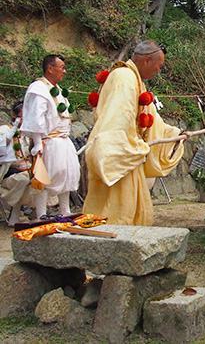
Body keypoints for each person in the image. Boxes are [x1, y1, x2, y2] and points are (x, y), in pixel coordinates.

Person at [82, 40, 185, 225]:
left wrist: (175, 135)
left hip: (127, 154)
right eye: (159, 66)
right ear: (146, 61)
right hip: (118, 156)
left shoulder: (137, 82)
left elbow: (153, 122)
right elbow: (118, 118)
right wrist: (131, 147)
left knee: (129, 210)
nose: (158, 71)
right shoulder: (124, 77)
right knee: (117, 212)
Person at [20, 54, 80, 219]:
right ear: (50, 68)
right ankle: (41, 214)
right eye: (61, 67)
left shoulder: (59, 91)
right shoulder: (38, 88)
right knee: (45, 176)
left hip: (64, 139)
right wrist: (38, 142)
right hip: (48, 141)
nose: (64, 71)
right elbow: (35, 116)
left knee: (67, 173)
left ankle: (65, 210)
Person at [0, 102, 34, 226]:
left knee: (38, 178)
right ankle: (12, 208)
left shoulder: (26, 134)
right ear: (15, 116)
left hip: (26, 170)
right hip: (8, 174)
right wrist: (13, 129)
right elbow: (1, 150)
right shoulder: (5, 129)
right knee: (23, 178)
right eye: (23, 115)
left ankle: (16, 214)